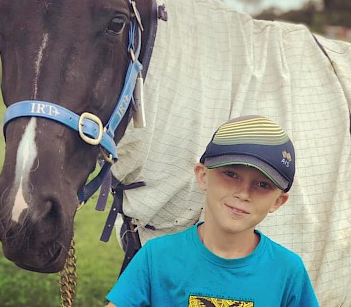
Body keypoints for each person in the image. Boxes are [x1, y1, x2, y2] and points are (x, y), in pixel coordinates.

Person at [106, 115, 319, 306]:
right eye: (231, 174)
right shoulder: (156, 257)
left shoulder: (288, 271)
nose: (243, 193)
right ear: (203, 176)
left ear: (278, 201)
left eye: (262, 185)